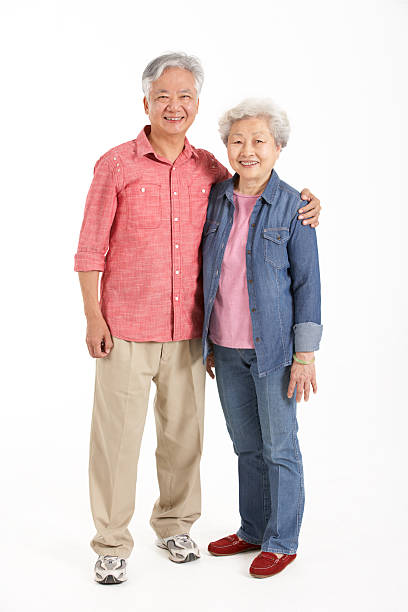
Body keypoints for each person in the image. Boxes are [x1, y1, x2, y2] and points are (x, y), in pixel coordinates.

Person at [74, 54, 322, 585]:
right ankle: (112, 543)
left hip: (190, 334)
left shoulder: (209, 168)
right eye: (163, 96)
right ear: (146, 102)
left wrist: (306, 200)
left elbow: (260, 193)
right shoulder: (116, 164)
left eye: (185, 96)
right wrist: (93, 315)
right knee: (117, 440)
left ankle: (175, 525)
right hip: (125, 330)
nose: (174, 105)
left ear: (197, 105)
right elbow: (90, 248)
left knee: (185, 439)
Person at [202, 98, 322, 578]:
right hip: (224, 349)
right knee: (245, 446)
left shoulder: (296, 207)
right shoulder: (215, 198)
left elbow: (308, 284)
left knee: (280, 446)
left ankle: (282, 539)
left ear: (278, 147)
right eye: (237, 140)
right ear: (226, 147)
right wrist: (209, 343)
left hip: (274, 354)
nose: (247, 150)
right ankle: (252, 529)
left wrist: (305, 355)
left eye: (258, 141)